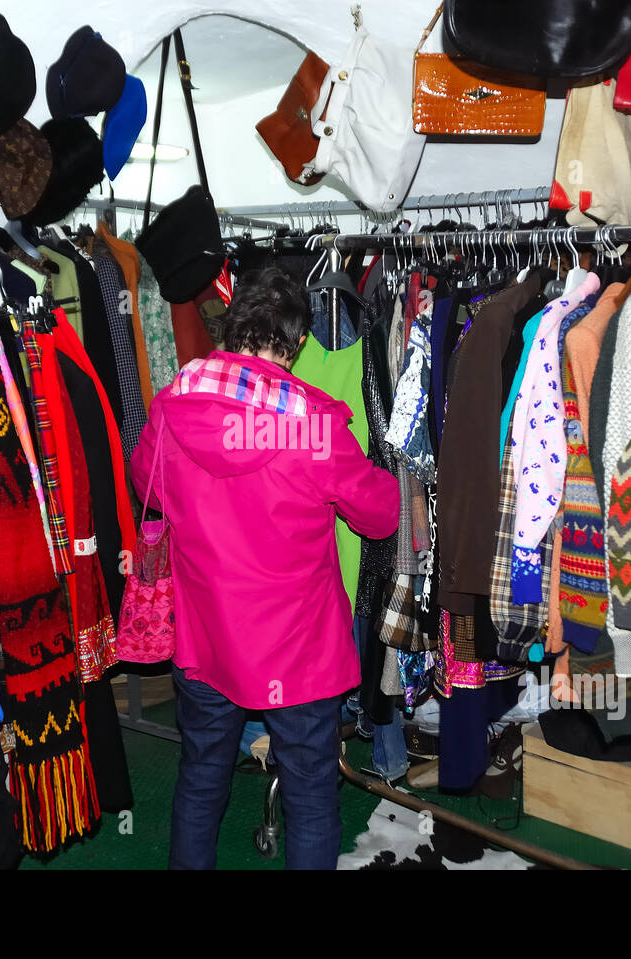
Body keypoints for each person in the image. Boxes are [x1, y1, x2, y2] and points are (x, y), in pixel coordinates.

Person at [131, 266, 399, 869]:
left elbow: (145, 484)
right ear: (299, 342)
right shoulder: (314, 423)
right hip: (297, 650)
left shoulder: (175, 406)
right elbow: (379, 518)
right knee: (309, 796)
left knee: (201, 779)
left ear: (230, 328)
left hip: (206, 639)